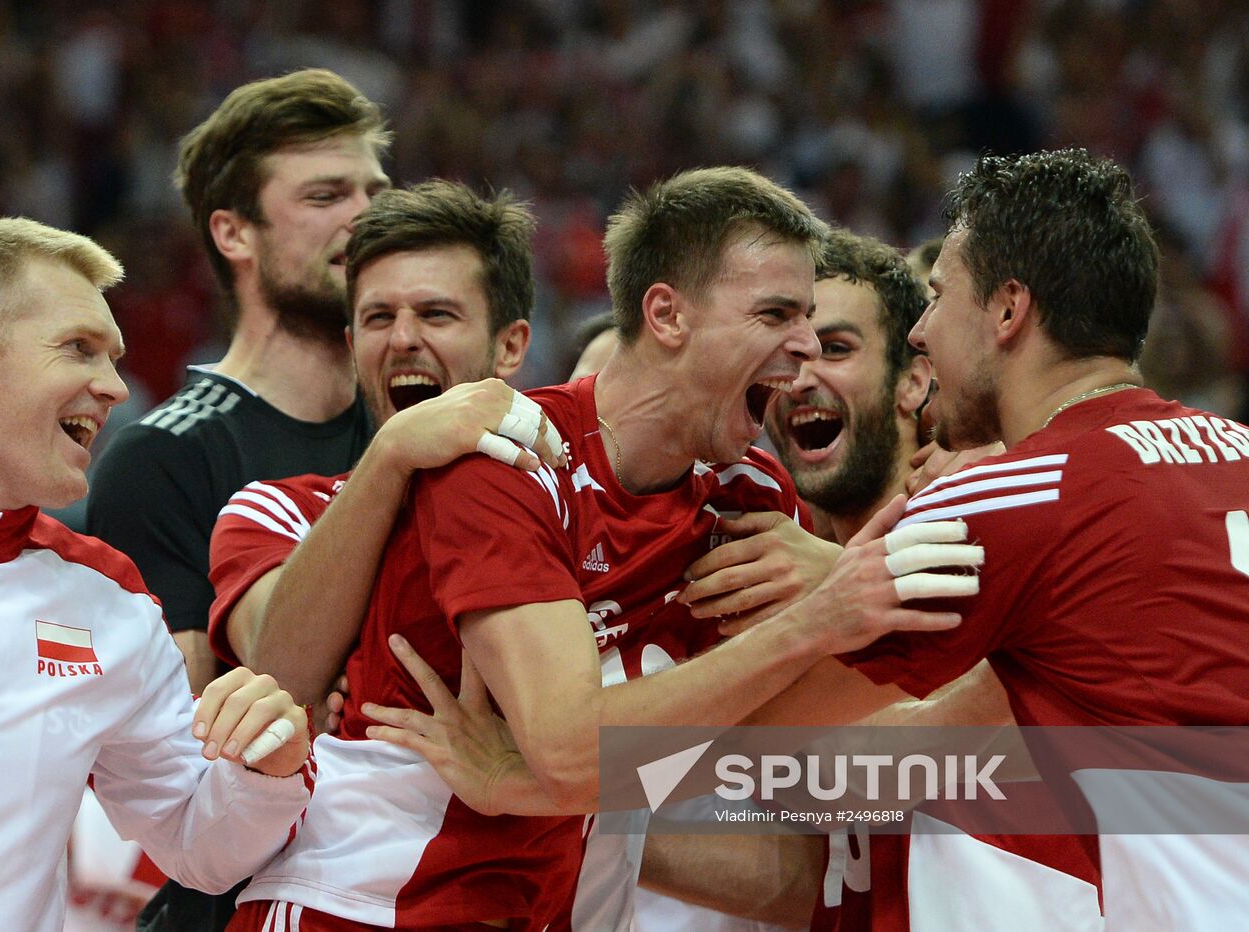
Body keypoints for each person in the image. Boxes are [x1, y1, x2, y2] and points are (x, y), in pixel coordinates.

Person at [231, 167, 981, 930]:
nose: (805, 344)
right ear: (667, 315)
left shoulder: (745, 493)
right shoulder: (505, 462)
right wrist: (819, 620)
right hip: (366, 903)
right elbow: (571, 750)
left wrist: (957, 637)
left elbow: (769, 725)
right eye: (776, 313)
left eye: (811, 318)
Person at [746, 148, 1249, 930]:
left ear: (1008, 309)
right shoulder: (1235, 452)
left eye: (941, 295)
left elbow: (766, 744)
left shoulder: (1015, 495)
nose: (921, 329)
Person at [0, 218, 313, 932]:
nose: (116, 387)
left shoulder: (110, 596)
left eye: (115, 358)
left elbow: (197, 845)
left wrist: (268, 774)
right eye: (79, 350)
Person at [86, 68, 391, 695]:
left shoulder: (420, 418)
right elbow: (177, 746)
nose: (368, 217)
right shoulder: (162, 460)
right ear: (233, 232)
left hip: (482, 791)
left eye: (375, 193)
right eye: (326, 196)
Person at [209, 180, 561, 705]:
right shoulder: (276, 511)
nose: (401, 339)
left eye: (436, 314)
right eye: (379, 318)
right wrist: (392, 453)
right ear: (353, 346)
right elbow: (279, 683)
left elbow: (720, 761)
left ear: (509, 346)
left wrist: (517, 775)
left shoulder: (581, 500)